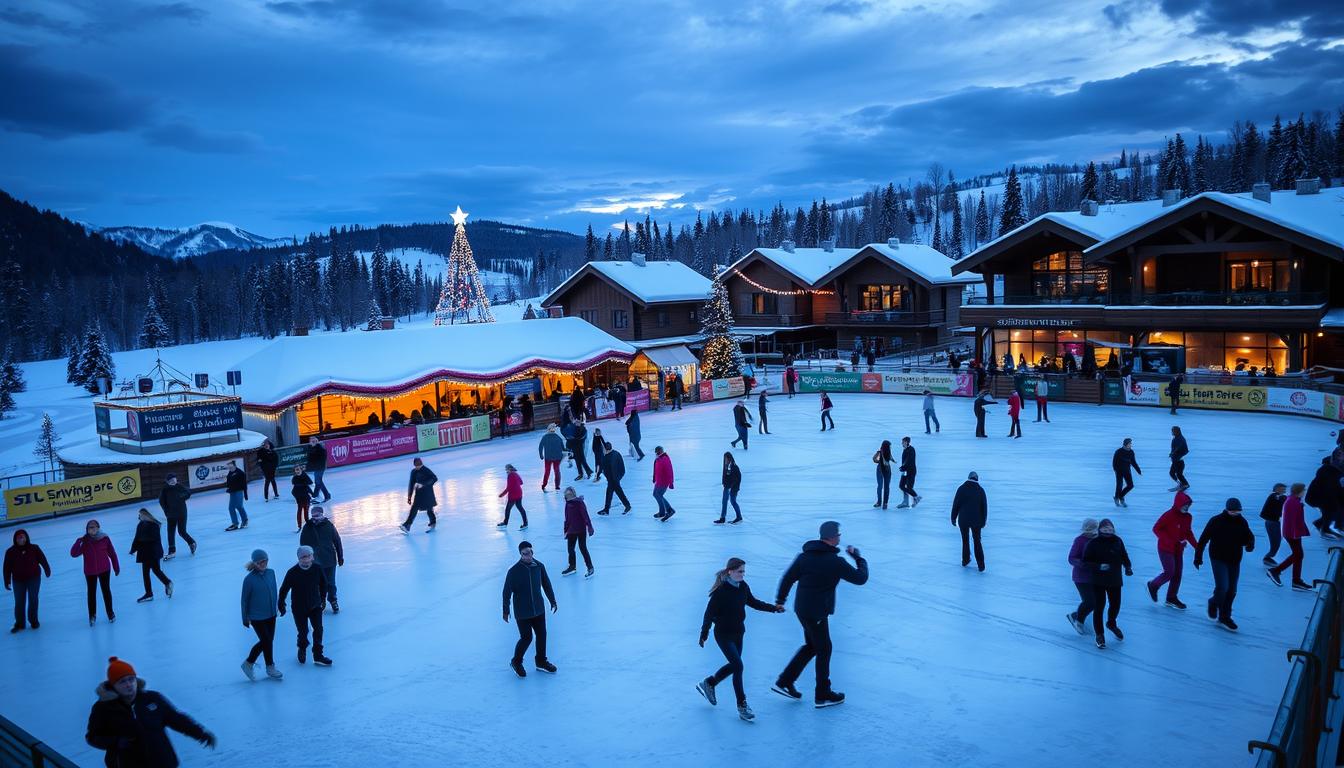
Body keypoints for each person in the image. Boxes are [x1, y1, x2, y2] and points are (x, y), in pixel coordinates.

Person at [772, 520, 868, 708]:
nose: (840, 537)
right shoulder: (835, 562)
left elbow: (788, 578)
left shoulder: (804, 557)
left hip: (802, 609)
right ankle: (822, 694)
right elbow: (860, 578)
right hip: (816, 613)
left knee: (812, 646)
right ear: (832, 537)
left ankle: (784, 681)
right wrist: (859, 559)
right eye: (839, 535)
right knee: (824, 648)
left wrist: (780, 600)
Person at [697, 557, 784, 722]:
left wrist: (773, 609)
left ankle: (710, 683)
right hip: (723, 635)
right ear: (730, 571)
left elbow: (754, 603)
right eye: (740, 571)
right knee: (738, 666)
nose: (743, 574)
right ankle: (742, 705)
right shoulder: (721, 592)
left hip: (738, 633)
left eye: (744, 571)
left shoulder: (743, 587)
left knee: (735, 666)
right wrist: (704, 633)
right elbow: (708, 614)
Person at [86, 656, 216, 766]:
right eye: (122, 682)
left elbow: (176, 718)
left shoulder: (152, 699)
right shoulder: (103, 708)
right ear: (113, 685)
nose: (129, 684)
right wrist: (116, 742)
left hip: (163, 762)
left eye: (131, 679)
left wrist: (200, 733)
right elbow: (92, 737)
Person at [1194, 498, 1255, 631]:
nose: (1235, 513)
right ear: (1227, 509)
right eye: (1232, 511)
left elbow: (1249, 536)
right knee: (1223, 587)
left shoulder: (1242, 521)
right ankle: (1213, 602)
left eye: (1238, 511)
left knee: (1232, 590)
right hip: (1218, 557)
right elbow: (1204, 539)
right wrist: (1198, 557)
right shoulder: (1216, 521)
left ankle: (1224, 616)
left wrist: (1250, 544)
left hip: (1234, 559)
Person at [502, 541, 558, 677]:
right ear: (520, 554)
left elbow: (546, 584)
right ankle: (516, 662)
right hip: (522, 612)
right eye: (524, 553)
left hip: (538, 609)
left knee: (542, 635)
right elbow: (506, 592)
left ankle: (541, 662)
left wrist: (552, 600)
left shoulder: (539, 566)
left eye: (530, 552)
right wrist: (506, 610)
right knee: (526, 638)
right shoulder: (514, 571)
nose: (528, 555)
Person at [278, 545, 332, 666]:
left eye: (308, 556)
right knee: (303, 631)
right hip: (299, 607)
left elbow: (324, 584)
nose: (306, 559)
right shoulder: (292, 572)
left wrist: (323, 598)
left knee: (318, 629)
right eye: (303, 557)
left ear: (312, 556)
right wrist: (281, 603)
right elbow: (284, 589)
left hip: (315, 605)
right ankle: (302, 648)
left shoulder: (317, 569)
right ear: (299, 558)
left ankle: (318, 655)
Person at [1083, 519, 1132, 649]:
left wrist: (1128, 566)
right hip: (1098, 581)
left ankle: (1111, 623)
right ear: (1100, 530)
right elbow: (1086, 561)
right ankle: (1099, 634)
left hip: (1115, 579)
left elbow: (1124, 554)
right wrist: (1099, 566)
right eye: (1105, 529)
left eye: (1110, 529)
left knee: (1115, 605)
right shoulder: (1093, 543)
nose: (1108, 531)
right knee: (1099, 607)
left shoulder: (1118, 540)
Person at [1147, 491, 1196, 609]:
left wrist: (1197, 546)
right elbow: (1156, 528)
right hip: (1165, 548)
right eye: (1184, 505)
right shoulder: (1168, 515)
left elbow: (1188, 532)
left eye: (1188, 505)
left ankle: (1171, 598)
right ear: (1178, 504)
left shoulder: (1188, 517)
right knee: (1169, 572)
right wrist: (1169, 541)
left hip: (1179, 549)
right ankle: (1153, 585)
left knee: (1178, 574)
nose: (1186, 507)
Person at [240, 549, 283, 680]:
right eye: (259, 562)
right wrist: (245, 618)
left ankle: (250, 664)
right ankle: (268, 667)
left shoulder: (271, 573)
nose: (263, 564)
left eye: (265, 561)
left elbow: (274, 591)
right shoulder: (249, 580)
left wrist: (278, 606)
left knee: (268, 641)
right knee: (266, 641)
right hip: (256, 616)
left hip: (271, 613)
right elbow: (244, 600)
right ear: (254, 563)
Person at [71, 519, 118, 626]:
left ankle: (110, 613)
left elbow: (112, 553)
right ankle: (92, 615)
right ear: (87, 530)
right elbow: (73, 554)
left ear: (98, 527)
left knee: (106, 591)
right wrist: (78, 542)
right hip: (90, 571)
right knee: (91, 593)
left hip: (104, 569)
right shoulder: (85, 541)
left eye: (95, 526)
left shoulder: (104, 538)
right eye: (91, 527)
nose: (93, 529)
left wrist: (116, 566)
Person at [299, 506, 344, 614]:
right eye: (314, 515)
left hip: (329, 560)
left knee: (331, 583)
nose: (316, 517)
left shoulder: (329, 526)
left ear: (322, 514)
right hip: (315, 562)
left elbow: (337, 541)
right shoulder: (308, 527)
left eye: (318, 515)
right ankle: (321, 600)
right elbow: (303, 545)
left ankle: (333, 600)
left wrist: (340, 556)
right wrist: (304, 560)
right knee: (318, 583)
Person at [1267, 483, 1312, 590]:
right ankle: (1276, 571)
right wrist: (1296, 534)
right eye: (1303, 490)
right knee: (1298, 554)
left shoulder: (1294, 500)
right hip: (1292, 533)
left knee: (1298, 555)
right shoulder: (1293, 502)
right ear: (1299, 491)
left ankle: (1296, 580)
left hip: (1293, 532)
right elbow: (1291, 520)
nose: (1305, 492)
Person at [4, 529, 50, 632]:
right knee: (19, 602)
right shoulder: (10, 552)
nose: (21, 539)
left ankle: (34, 621)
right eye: (18, 537)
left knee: (33, 599)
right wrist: (7, 580)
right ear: (15, 539)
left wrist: (47, 569)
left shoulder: (34, 548)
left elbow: (42, 559)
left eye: (22, 537)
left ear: (26, 537)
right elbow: (6, 568)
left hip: (34, 578)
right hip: (18, 580)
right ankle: (20, 623)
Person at [129, 509, 172, 604]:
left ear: (145, 515)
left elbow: (138, 539)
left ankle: (149, 593)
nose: (139, 517)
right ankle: (167, 583)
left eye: (140, 515)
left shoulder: (145, 525)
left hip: (148, 553)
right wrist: (134, 549)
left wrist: (133, 549)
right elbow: (138, 539)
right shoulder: (153, 525)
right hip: (153, 552)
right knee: (156, 570)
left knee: (146, 573)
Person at [1066, 519, 1100, 635]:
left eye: (1094, 530)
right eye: (1089, 530)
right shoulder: (1080, 541)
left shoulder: (1098, 539)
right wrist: (1083, 563)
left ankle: (1075, 615)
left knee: (1096, 602)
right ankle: (1078, 621)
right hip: (1081, 578)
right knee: (1090, 602)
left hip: (1095, 577)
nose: (1091, 532)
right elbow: (1071, 558)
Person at [951, 471, 988, 571]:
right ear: (977, 479)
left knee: (965, 540)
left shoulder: (961, 489)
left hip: (963, 520)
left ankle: (965, 560)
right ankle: (981, 565)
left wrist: (953, 518)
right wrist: (984, 521)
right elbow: (984, 507)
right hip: (977, 521)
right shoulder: (980, 490)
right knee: (977, 540)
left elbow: (956, 504)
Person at [157, 474, 195, 560]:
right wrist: (166, 511)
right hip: (171, 514)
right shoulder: (165, 490)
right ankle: (172, 551)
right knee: (171, 532)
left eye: (174, 480)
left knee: (181, 531)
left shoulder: (179, 486)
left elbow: (188, 493)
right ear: (167, 482)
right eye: (171, 481)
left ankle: (192, 543)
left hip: (182, 513)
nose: (173, 482)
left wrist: (181, 497)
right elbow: (162, 501)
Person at [561, 487, 595, 577]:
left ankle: (590, 567)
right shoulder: (567, 504)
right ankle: (572, 566)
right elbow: (567, 518)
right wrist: (566, 530)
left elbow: (585, 515)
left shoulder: (579, 503)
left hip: (580, 529)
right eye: (566, 495)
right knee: (570, 549)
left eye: (569, 495)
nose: (567, 497)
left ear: (573, 495)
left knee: (582, 547)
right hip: (571, 530)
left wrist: (590, 527)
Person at [1307, 457, 1343, 539]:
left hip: (1325, 496)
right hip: (1319, 497)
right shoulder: (1329, 472)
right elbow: (1329, 488)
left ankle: (1321, 524)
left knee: (1334, 510)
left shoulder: (1333, 471)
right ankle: (1325, 530)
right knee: (1331, 510)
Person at [401, 457, 439, 533]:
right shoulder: (413, 472)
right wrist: (409, 496)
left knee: (429, 509)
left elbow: (434, 478)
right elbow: (411, 484)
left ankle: (433, 523)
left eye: (420, 466)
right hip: (419, 494)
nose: (418, 467)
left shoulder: (426, 470)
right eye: (417, 466)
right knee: (414, 508)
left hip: (427, 493)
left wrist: (423, 484)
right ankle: (407, 525)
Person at [597, 441, 631, 515]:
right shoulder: (607, 456)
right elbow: (602, 466)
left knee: (611, 493)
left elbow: (622, 469)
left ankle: (607, 509)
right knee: (616, 492)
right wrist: (599, 474)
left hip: (614, 479)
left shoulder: (615, 455)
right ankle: (626, 506)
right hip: (610, 479)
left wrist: (617, 478)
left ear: (606, 449)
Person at [1260, 483, 1287, 566]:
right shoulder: (1274, 496)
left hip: (1273, 522)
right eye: (1283, 489)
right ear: (1277, 489)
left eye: (1285, 489)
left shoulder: (1278, 497)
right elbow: (1280, 500)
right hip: (1272, 523)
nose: (1284, 491)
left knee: (1276, 542)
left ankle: (1269, 558)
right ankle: (1267, 558)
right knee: (1276, 542)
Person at [497, 464, 528, 530]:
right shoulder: (516, 474)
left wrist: (501, 495)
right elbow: (521, 482)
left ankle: (505, 523)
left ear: (509, 469)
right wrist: (515, 485)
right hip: (519, 493)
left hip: (513, 495)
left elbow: (508, 488)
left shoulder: (510, 475)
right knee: (520, 508)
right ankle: (525, 523)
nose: (506, 471)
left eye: (506, 469)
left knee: (508, 509)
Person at [1112, 438, 1141, 507]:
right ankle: (1118, 498)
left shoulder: (1131, 452)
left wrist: (1138, 470)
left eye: (1131, 443)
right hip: (1119, 471)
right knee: (1119, 484)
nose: (1131, 445)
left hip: (1127, 470)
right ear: (1126, 444)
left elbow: (1133, 462)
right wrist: (1116, 469)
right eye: (1130, 443)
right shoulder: (1119, 451)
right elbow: (1114, 462)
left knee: (1130, 485)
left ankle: (1120, 496)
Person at [717, 452, 743, 525]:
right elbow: (725, 476)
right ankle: (722, 518)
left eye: (726, 459)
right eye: (724, 459)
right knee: (724, 501)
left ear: (729, 458)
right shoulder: (726, 466)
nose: (725, 460)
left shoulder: (734, 467)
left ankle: (739, 517)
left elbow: (738, 478)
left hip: (733, 488)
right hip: (727, 487)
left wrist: (732, 486)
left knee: (733, 501)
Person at [537, 424, 565, 492]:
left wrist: (541, 455)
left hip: (548, 458)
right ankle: (557, 486)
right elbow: (563, 447)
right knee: (556, 471)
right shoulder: (558, 437)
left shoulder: (545, 437)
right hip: (556, 458)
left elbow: (540, 447)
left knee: (547, 471)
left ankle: (544, 485)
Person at [653, 446, 677, 522]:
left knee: (658, 495)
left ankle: (669, 510)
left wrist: (671, 482)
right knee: (656, 494)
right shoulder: (658, 459)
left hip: (664, 481)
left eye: (658, 452)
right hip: (659, 481)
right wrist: (654, 478)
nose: (656, 453)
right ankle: (662, 512)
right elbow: (656, 469)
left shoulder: (665, 459)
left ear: (661, 451)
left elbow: (670, 471)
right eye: (656, 452)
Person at [224, 460, 249, 531]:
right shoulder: (229, 473)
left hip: (239, 491)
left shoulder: (240, 473)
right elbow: (229, 483)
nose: (229, 468)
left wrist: (246, 494)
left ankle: (245, 520)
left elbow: (244, 484)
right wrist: (228, 488)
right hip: (232, 492)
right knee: (231, 508)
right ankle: (235, 524)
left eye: (230, 465)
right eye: (228, 466)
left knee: (239, 506)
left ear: (234, 465)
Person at [897, 436, 921, 508]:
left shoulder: (911, 450)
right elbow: (905, 461)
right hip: (905, 471)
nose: (902, 443)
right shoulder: (905, 449)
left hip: (911, 471)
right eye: (902, 442)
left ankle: (916, 497)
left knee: (909, 487)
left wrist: (903, 467)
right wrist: (903, 468)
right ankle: (906, 502)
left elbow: (909, 461)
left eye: (903, 442)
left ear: (907, 442)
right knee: (901, 485)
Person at [307, 436, 332, 503]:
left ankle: (317, 496)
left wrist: (313, 448)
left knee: (318, 482)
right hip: (316, 467)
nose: (313, 442)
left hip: (320, 467)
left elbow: (318, 457)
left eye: (314, 440)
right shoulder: (311, 448)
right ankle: (325, 495)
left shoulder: (320, 448)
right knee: (318, 481)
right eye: (311, 440)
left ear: (317, 441)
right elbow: (310, 458)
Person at [291, 464, 315, 532]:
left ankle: (307, 522)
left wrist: (312, 493)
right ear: (295, 471)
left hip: (306, 496)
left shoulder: (304, 475)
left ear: (301, 469)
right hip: (299, 497)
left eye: (298, 469)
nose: (297, 471)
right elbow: (294, 490)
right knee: (299, 510)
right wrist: (296, 496)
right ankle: (299, 525)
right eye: (296, 470)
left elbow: (310, 482)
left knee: (306, 510)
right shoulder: (295, 478)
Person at [873, 440, 893, 510]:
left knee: (882, 486)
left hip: (883, 470)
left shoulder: (885, 452)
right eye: (889, 446)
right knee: (883, 487)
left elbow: (874, 459)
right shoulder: (882, 452)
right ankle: (883, 503)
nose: (890, 447)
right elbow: (875, 459)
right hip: (884, 470)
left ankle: (881, 502)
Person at [1168, 426, 1189, 491]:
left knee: (1179, 474)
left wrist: (1177, 455)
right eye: (1172, 431)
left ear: (1177, 431)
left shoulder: (1181, 439)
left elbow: (1185, 450)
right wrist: (1172, 453)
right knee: (1172, 473)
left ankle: (1185, 484)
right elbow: (1175, 449)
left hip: (1179, 461)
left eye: (1173, 431)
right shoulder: (1176, 438)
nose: (1172, 432)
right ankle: (1181, 484)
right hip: (1175, 460)